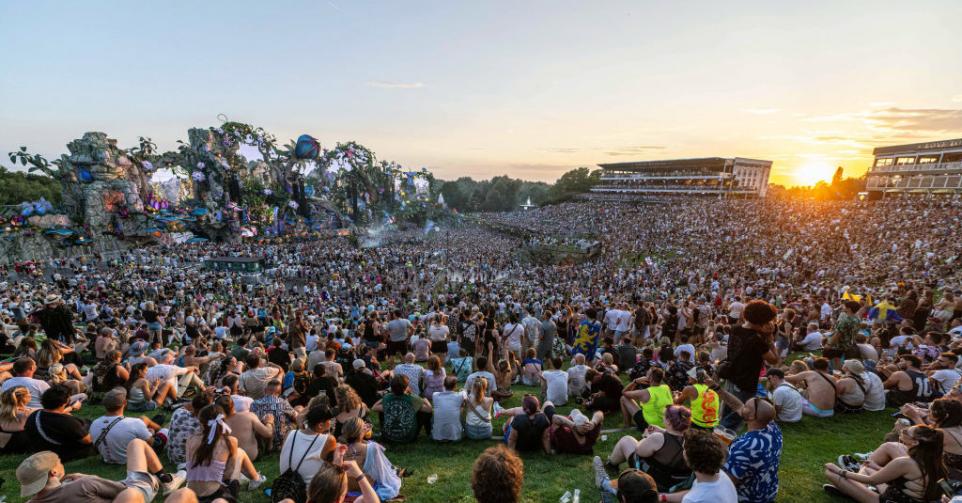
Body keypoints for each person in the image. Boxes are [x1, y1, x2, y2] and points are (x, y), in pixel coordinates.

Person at [16, 442, 184, 503]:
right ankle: (166, 479)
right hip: (132, 495)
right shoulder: (82, 485)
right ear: (53, 472)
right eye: (59, 462)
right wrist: (90, 478)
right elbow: (123, 490)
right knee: (136, 444)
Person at [824, 425, 946, 503]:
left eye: (907, 432)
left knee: (831, 473)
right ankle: (854, 491)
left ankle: (851, 492)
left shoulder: (905, 462)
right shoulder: (937, 462)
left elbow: (872, 480)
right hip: (903, 496)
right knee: (867, 469)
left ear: (915, 443)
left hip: (890, 500)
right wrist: (876, 467)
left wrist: (840, 471)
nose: (902, 431)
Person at [712, 380, 782, 503]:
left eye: (746, 407)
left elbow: (727, 483)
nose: (742, 407)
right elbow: (738, 406)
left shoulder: (745, 446)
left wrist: (720, 449)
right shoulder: (773, 428)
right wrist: (718, 389)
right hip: (768, 491)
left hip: (748, 498)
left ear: (751, 417)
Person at [716, 300, 780, 431]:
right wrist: (770, 339)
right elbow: (774, 360)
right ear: (760, 321)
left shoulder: (735, 329)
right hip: (745, 383)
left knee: (726, 412)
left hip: (731, 377)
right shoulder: (756, 340)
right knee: (735, 418)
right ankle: (720, 444)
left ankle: (716, 437)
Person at [185, 403, 266, 501]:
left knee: (237, 453)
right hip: (217, 495)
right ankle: (256, 479)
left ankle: (256, 478)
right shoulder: (229, 441)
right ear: (223, 421)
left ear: (201, 423)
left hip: (192, 496)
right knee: (240, 453)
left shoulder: (190, 439)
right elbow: (228, 474)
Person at [603, 405, 693, 491]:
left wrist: (646, 437)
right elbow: (675, 436)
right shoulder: (693, 439)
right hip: (677, 484)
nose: (663, 418)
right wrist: (663, 431)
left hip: (653, 482)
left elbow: (639, 451)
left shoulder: (658, 438)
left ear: (669, 421)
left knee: (627, 440)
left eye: (664, 416)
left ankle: (611, 465)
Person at [89, 388, 164, 464]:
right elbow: (153, 443)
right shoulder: (134, 423)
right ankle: (161, 428)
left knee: (144, 419)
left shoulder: (94, 424)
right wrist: (151, 433)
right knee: (165, 431)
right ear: (125, 403)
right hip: (132, 458)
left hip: (107, 459)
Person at [338, 417, 403, 500]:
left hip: (349, 491)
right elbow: (382, 472)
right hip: (368, 489)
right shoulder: (372, 447)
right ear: (361, 431)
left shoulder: (341, 450)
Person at [24, 384, 93, 461]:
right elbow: (87, 440)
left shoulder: (35, 415)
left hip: (41, 450)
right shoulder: (66, 421)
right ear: (65, 402)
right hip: (63, 453)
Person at [278, 405, 338, 487]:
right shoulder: (329, 440)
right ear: (320, 425)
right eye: (329, 420)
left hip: (285, 485)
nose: (331, 422)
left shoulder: (291, 433)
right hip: (308, 491)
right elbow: (333, 465)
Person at [672, 430, 738, 503]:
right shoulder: (721, 476)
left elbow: (696, 495)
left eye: (684, 449)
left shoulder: (692, 500)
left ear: (690, 458)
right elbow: (697, 491)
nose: (683, 451)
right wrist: (664, 497)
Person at [372, 374, 433, 443]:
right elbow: (429, 409)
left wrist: (384, 397)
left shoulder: (387, 398)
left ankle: (386, 430)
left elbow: (374, 407)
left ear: (391, 387)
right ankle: (429, 432)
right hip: (409, 438)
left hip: (388, 437)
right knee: (423, 411)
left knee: (382, 410)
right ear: (406, 387)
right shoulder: (412, 398)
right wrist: (424, 399)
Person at [214, 394, 274, 461]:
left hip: (229, 459)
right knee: (265, 420)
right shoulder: (249, 416)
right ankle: (269, 450)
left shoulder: (216, 423)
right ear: (233, 405)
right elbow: (268, 433)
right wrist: (269, 422)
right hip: (251, 456)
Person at [250, 378, 297, 453]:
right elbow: (295, 417)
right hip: (279, 438)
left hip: (263, 437)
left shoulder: (255, 403)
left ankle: (264, 446)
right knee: (294, 423)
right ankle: (283, 444)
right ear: (279, 392)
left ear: (265, 390)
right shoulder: (283, 402)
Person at [167, 394, 210, 469]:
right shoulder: (203, 426)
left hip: (171, 455)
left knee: (166, 430)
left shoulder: (179, 411)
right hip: (185, 461)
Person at [0, 385, 33, 453]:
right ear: (24, 398)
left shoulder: (2, 412)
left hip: (3, 447)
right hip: (23, 448)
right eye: (30, 392)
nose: (31, 395)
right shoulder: (28, 414)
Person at [432, 376, 464, 441]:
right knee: (463, 407)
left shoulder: (435, 395)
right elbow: (464, 394)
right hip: (455, 436)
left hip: (437, 436)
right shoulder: (459, 396)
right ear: (455, 386)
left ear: (444, 385)